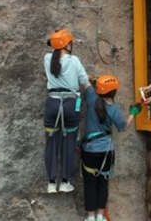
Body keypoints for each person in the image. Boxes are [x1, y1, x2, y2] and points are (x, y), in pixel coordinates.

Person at [80, 75, 140, 221]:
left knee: (90, 184)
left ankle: (90, 217)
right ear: (113, 93)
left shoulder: (91, 96)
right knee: (103, 182)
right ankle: (100, 215)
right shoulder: (113, 109)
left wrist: (92, 80)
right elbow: (124, 126)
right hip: (106, 152)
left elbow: (85, 81)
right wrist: (133, 113)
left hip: (90, 150)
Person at [43, 29, 91, 193]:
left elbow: (53, 51)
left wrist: (55, 42)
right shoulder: (74, 60)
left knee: (51, 142)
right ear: (67, 44)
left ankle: (50, 182)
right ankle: (64, 181)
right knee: (69, 142)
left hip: (52, 103)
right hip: (71, 104)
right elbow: (85, 82)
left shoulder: (48, 58)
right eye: (70, 42)